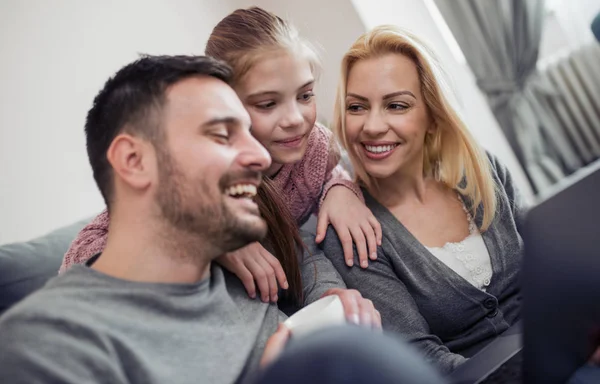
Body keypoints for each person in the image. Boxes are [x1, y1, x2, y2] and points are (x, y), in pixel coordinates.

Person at [0, 55, 447, 384]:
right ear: (134, 161)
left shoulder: (240, 263)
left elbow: (303, 252)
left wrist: (335, 303)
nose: (258, 156)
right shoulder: (45, 343)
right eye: (221, 135)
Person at [59, 7, 381, 308]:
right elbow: (85, 255)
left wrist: (341, 189)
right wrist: (213, 237)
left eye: (305, 95)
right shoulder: (201, 169)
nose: (295, 118)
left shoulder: (313, 148)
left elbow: (329, 177)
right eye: (267, 104)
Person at [320, 25, 524, 374]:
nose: (371, 126)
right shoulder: (354, 232)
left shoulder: (480, 170)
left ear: (432, 115)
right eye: (357, 107)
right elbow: (423, 360)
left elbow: (551, 269)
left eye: (396, 105)